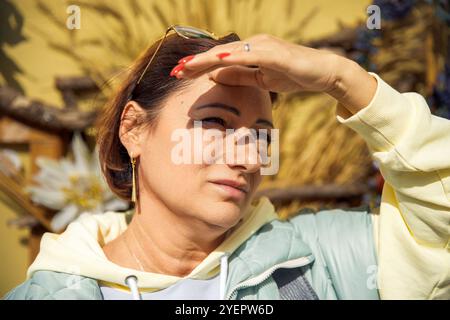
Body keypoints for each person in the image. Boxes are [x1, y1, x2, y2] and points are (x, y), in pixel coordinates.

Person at [4, 26, 449, 300]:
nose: (249, 155)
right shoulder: (49, 294)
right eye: (215, 121)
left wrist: (342, 79)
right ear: (134, 129)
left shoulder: (324, 261)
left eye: (260, 133)